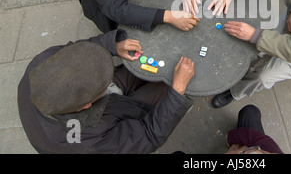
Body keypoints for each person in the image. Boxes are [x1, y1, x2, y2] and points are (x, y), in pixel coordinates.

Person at [17, 29, 195, 153]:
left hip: (99, 112)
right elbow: (148, 136)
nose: (111, 82)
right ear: (85, 106)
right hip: (106, 128)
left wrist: (111, 46)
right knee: (167, 88)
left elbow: (79, 49)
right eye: (106, 86)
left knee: (142, 65)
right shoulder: (90, 144)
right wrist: (177, 91)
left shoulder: (41, 64)